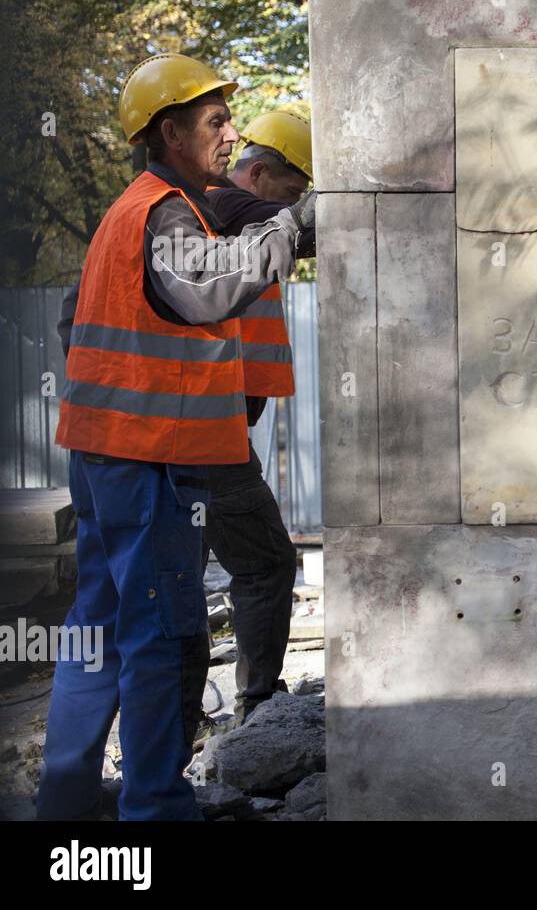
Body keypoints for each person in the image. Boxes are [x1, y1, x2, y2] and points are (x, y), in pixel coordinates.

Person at [39, 53, 315, 821]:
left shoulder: (134, 207)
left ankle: (63, 800)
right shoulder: (164, 211)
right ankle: (155, 809)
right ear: (170, 132)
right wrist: (293, 224)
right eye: (216, 123)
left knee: (96, 625)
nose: (232, 136)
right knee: (160, 630)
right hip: (150, 457)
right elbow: (204, 290)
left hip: (102, 453)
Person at [204, 109, 315, 725]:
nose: (294, 203)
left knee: (176, 574)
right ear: (262, 172)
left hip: (207, 428)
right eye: (292, 188)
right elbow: (303, 226)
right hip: (203, 434)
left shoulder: (219, 219)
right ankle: (257, 710)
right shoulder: (222, 206)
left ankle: (175, 730)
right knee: (267, 561)